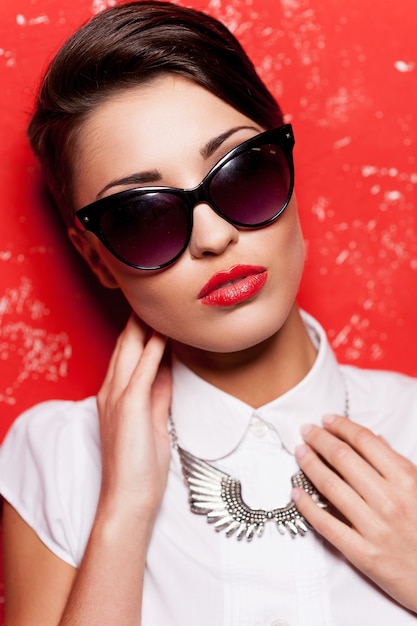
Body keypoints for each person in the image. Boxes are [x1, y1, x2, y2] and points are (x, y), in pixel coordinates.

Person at [1, 2, 417, 624]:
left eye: (243, 172)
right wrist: (124, 512)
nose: (214, 238)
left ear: (290, 171)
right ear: (97, 259)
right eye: (143, 215)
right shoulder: (59, 456)